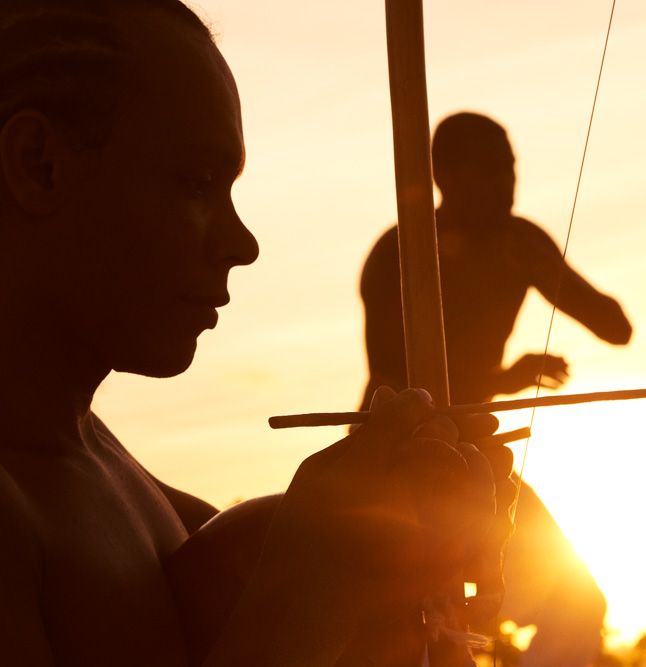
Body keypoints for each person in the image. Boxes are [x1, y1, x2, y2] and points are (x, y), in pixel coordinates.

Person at [0, 1, 512, 665]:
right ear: (39, 163)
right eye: (197, 182)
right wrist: (315, 584)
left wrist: (409, 567)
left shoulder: (118, 487)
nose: (243, 243)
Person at [359, 111, 633, 666]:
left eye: (511, 169)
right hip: (393, 461)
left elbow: (616, 328)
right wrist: (509, 376)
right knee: (412, 625)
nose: (509, 184)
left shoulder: (518, 242)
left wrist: (543, 266)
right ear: (447, 175)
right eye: (493, 171)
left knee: (576, 602)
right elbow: (398, 385)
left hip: (476, 455)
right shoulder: (401, 252)